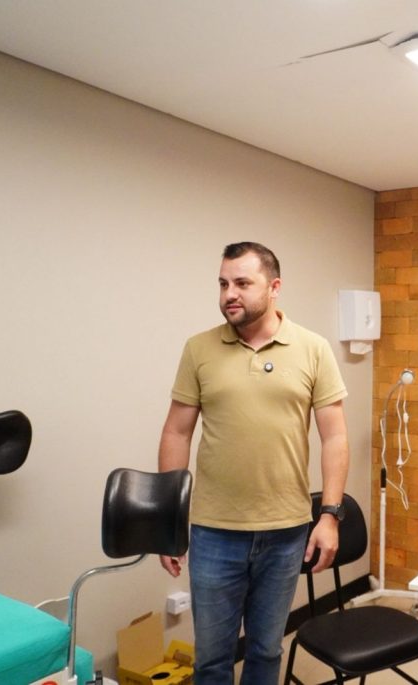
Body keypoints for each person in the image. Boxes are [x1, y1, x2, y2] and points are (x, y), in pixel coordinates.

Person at [158, 241, 350, 684]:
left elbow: (335, 436)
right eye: (223, 284)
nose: (230, 294)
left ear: (274, 287)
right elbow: (176, 433)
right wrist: (169, 521)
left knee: (265, 651)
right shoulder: (199, 349)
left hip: (286, 531)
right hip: (213, 532)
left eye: (242, 283)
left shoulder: (313, 348)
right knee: (212, 660)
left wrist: (329, 516)